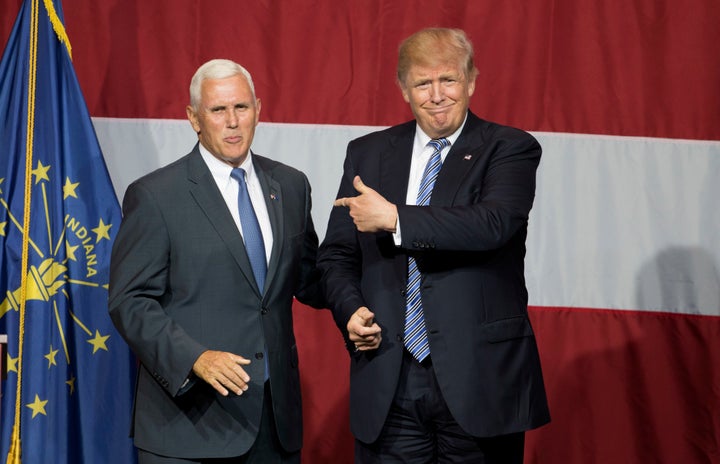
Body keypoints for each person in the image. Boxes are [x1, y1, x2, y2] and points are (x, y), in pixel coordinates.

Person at [318, 28, 550, 463]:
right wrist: (350, 311)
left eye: (449, 80)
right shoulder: (368, 153)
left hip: (479, 380)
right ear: (403, 88)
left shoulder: (509, 147)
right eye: (423, 83)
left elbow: (492, 224)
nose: (437, 94)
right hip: (389, 375)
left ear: (472, 82)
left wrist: (394, 218)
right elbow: (336, 254)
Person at [109, 58, 323, 463]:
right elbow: (129, 301)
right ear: (193, 118)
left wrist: (370, 272)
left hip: (274, 425)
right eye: (218, 110)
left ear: (258, 109)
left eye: (241, 107)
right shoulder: (156, 195)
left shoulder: (291, 185)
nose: (232, 121)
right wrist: (195, 358)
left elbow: (310, 276)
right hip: (190, 426)